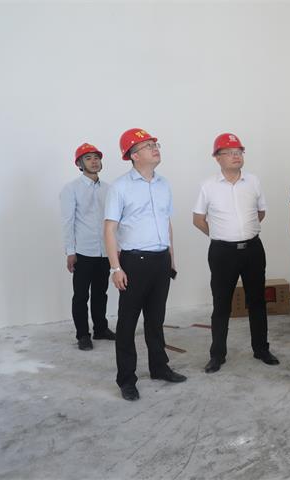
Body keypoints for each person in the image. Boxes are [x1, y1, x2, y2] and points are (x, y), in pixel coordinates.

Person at [104, 128, 186, 401]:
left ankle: (159, 367)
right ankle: (126, 379)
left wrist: (171, 257)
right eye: (148, 145)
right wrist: (116, 268)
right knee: (127, 324)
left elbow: (166, 222)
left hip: (160, 260)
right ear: (133, 155)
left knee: (156, 319)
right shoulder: (120, 187)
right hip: (134, 262)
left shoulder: (163, 184)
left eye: (155, 144)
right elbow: (109, 229)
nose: (155, 148)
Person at [193, 132, 280, 374]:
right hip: (223, 253)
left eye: (239, 152)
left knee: (257, 301)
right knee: (222, 304)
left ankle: (261, 349)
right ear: (217, 158)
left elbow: (261, 212)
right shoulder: (208, 185)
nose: (236, 156)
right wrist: (220, 234)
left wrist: (245, 230)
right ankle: (217, 355)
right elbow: (198, 219)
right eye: (230, 152)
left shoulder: (253, 181)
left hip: (253, 250)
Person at [59, 143, 116, 351]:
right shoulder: (71, 189)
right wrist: (70, 251)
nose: (94, 161)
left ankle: (101, 328)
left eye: (96, 157)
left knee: (101, 292)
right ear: (79, 164)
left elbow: (114, 221)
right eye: (88, 158)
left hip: (105, 251)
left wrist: (116, 248)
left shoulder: (109, 189)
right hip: (83, 251)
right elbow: (68, 221)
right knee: (81, 295)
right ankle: (83, 335)